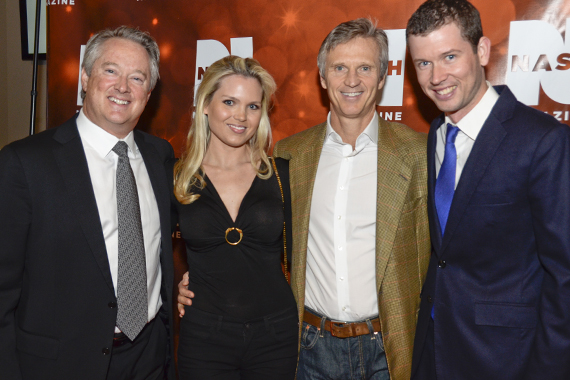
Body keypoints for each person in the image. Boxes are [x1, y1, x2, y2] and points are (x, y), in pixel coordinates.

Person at [178, 18, 430, 380]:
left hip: (389, 350)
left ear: (383, 76)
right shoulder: (289, 156)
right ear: (323, 77)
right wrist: (187, 283)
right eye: (339, 68)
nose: (352, 80)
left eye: (365, 68)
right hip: (309, 349)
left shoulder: (418, 154)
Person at [406, 1, 570, 379]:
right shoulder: (436, 134)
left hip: (506, 359)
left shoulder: (543, 141)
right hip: (434, 349)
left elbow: (564, 276)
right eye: (423, 63)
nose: (436, 76)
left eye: (449, 56)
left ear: (481, 51)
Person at [0, 26, 175, 380]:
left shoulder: (160, 156)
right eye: (110, 71)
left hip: (149, 357)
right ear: (84, 77)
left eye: (137, 77)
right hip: (61, 364)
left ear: (149, 92)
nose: (122, 87)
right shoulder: (25, 163)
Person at [172, 55, 298, 379]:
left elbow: (308, 254)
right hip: (203, 338)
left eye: (253, 106)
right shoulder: (176, 177)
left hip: (276, 335)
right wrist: (177, 286)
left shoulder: (283, 174)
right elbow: (148, 251)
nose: (241, 116)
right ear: (205, 104)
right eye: (229, 101)